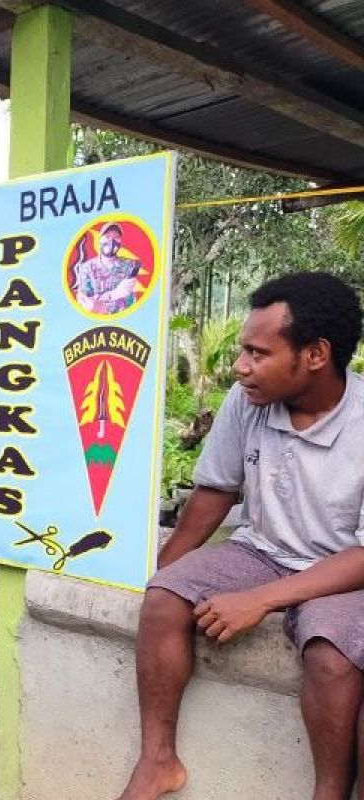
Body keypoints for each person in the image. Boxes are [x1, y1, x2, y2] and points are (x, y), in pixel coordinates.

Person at [115, 272, 364, 800]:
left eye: (257, 352)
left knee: (330, 653)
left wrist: (258, 601)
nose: (241, 366)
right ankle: (157, 761)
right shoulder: (246, 401)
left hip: (344, 572)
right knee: (163, 601)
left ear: (315, 354)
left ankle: (330, 792)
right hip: (262, 551)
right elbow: (214, 492)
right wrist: (165, 571)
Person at [72, 222, 142, 315]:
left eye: (116, 237)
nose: (112, 241)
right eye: (107, 236)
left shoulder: (129, 265)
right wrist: (114, 294)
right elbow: (86, 303)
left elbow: (130, 301)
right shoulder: (87, 267)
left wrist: (100, 305)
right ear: (100, 239)